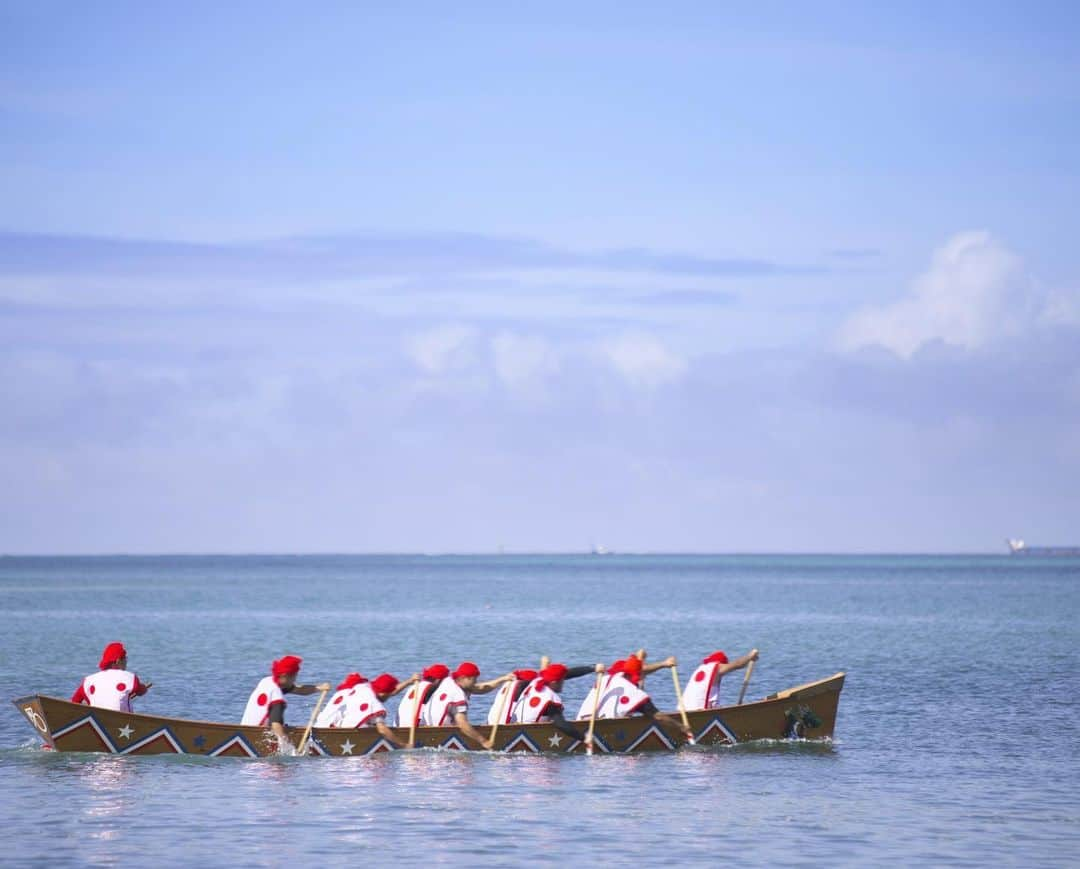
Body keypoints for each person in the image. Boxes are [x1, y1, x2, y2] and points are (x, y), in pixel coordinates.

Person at [576, 654, 692, 741]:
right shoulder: (631, 690)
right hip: (607, 736)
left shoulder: (608, 677)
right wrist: (681, 727)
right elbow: (658, 716)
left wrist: (663, 664)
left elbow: (640, 670)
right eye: (640, 676)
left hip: (581, 724)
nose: (641, 679)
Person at [241, 655, 330, 753]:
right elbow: (276, 724)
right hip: (257, 741)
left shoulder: (267, 681)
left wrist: (318, 688)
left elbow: (299, 689)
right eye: (294, 677)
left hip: (246, 730)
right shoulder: (277, 695)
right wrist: (289, 747)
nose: (295, 680)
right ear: (285, 676)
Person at [421, 661, 511, 749]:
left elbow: (481, 688)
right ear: (464, 678)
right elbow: (462, 724)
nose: (475, 682)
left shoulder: (449, 681)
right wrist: (484, 741)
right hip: (442, 736)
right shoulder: (458, 696)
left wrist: (503, 679)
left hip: (430, 729)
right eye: (474, 679)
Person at [317, 672, 418, 749]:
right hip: (348, 740)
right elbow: (382, 729)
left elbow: (390, 691)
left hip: (321, 727)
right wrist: (404, 745)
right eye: (388, 695)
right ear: (383, 694)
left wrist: (410, 681)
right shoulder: (374, 704)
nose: (390, 696)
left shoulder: (363, 687)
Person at [514, 663, 594, 746]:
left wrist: (592, 668)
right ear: (554, 683)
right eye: (562, 681)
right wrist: (584, 738)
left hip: (517, 725)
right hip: (533, 738)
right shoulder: (550, 699)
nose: (563, 683)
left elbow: (567, 674)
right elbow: (560, 724)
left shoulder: (536, 681)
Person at [71, 642, 152, 712]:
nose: (126, 661)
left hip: (97, 719)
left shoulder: (88, 680)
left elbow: (75, 701)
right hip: (122, 723)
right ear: (118, 661)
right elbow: (141, 691)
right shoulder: (130, 677)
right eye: (125, 658)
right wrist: (144, 687)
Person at [682, 648, 759, 710]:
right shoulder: (716, 666)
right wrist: (749, 657)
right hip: (698, 711)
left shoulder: (701, 668)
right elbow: (737, 664)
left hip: (685, 710)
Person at [394, 663, 449, 729]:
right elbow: (422, 712)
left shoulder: (416, 686)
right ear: (438, 680)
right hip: (413, 729)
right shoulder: (430, 688)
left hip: (398, 726)